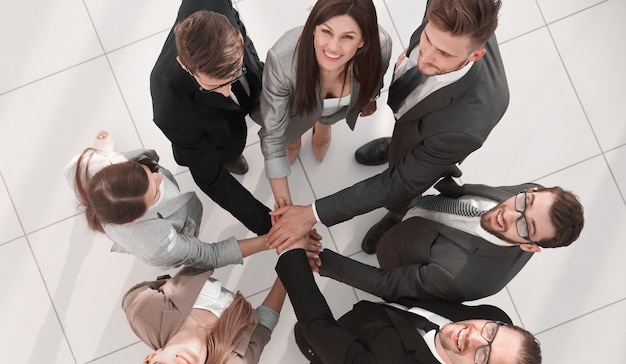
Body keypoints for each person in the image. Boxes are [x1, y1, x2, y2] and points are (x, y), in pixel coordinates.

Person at [265, 0, 509, 253]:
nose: (426, 57)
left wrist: (311, 214)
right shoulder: (445, 10)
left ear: (476, 55)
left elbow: (400, 181)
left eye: (444, 54)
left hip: (436, 143)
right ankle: (397, 144)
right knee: (407, 133)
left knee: (404, 190)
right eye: (427, 39)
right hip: (420, 118)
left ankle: (396, 215)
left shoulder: (466, 128)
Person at [275, 241, 542, 364]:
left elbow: (319, 326)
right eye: (492, 332)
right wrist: (324, 261)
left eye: (484, 356)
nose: (474, 336)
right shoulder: (494, 317)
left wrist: (292, 254)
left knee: (319, 346)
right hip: (381, 321)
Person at [315, 177, 584, 302]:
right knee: (407, 203)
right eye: (525, 201)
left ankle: (397, 226)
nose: (510, 213)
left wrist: (320, 260)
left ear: (529, 246)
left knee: (394, 244)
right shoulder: (529, 194)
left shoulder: (464, 279)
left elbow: (387, 285)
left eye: (525, 225)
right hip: (431, 205)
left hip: (404, 256)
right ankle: (398, 215)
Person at [150, 0, 271, 236]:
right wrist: (268, 225)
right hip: (211, 135)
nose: (227, 92)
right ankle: (229, 156)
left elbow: (240, 30)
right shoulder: (169, 104)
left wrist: (252, 67)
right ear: (184, 65)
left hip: (247, 82)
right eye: (214, 86)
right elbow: (212, 178)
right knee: (223, 153)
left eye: (234, 75)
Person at [65, 131, 268, 269]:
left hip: (106, 168)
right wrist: (270, 240)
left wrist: (109, 157)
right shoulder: (159, 244)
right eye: (154, 192)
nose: (159, 176)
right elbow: (210, 255)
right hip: (162, 240)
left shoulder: (88, 167)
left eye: (144, 171)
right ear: (134, 219)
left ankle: (107, 154)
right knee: (177, 254)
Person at [259, 0, 392, 204]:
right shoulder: (281, 59)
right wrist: (284, 205)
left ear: (363, 40)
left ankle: (322, 129)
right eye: (326, 32)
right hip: (295, 110)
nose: (333, 47)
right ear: (313, 27)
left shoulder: (381, 45)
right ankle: (294, 138)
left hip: (338, 109)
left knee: (329, 117)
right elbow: (273, 134)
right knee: (288, 133)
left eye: (347, 37)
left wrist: (371, 98)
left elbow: (376, 78)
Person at [122, 266, 286, 364]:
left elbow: (152, 284)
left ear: (151, 356)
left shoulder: (141, 311)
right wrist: (291, 265)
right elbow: (264, 324)